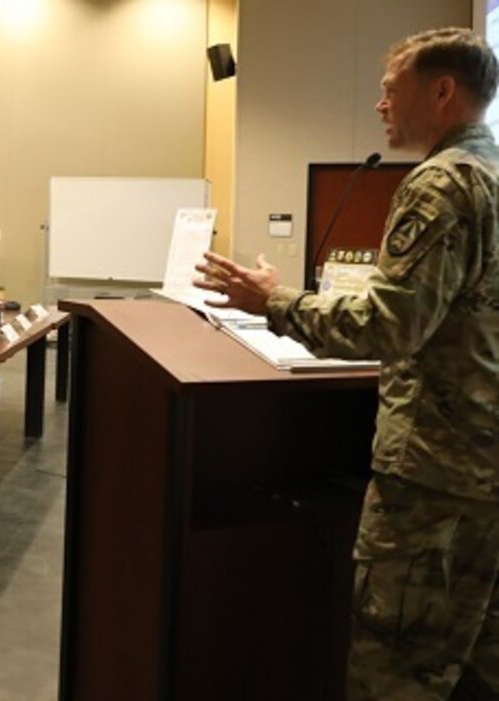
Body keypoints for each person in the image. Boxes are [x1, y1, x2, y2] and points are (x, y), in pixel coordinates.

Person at [193, 28, 499, 700]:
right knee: (475, 667)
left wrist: (271, 301)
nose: (380, 106)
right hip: (486, 470)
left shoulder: (441, 184)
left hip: (434, 476)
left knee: (397, 670)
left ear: (443, 90)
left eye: (391, 90)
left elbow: (388, 326)